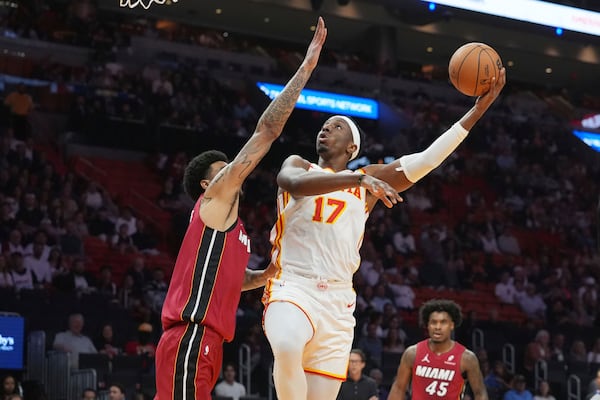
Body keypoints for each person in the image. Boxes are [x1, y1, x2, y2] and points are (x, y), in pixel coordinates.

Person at [262, 65, 506, 399]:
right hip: (293, 284)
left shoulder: (368, 180)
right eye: (324, 126)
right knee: (287, 344)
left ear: (352, 148)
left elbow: (428, 160)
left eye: (336, 128)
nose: (325, 131)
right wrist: (358, 179)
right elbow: (292, 184)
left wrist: (476, 112)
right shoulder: (301, 165)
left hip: (337, 301)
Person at [154, 17, 328, 400]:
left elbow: (234, 281)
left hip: (207, 339)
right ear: (207, 183)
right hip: (190, 333)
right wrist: (306, 67)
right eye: (224, 169)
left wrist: (268, 273)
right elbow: (266, 132)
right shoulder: (214, 200)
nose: (234, 169)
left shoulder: (230, 228)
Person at [387, 299, 488, 400]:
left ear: (451, 325)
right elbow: (399, 388)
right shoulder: (412, 353)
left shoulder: (466, 358)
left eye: (443, 322)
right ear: (427, 325)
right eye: (433, 322)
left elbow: (480, 392)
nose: (438, 327)